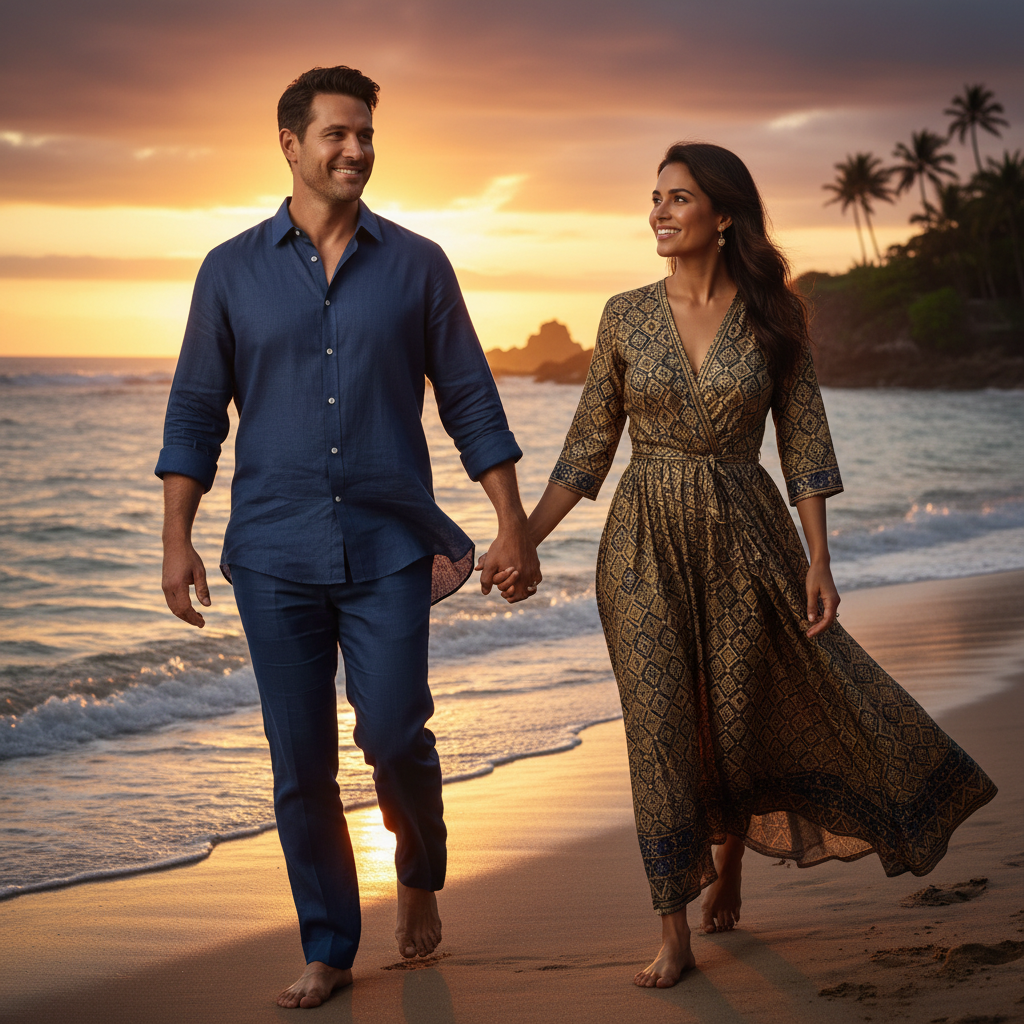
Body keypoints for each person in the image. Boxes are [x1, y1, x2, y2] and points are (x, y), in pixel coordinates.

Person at [524, 142, 997, 989]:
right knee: (660, 731)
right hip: (642, 544)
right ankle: (671, 929)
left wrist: (821, 559)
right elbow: (587, 448)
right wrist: (522, 538)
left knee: (736, 728)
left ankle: (732, 857)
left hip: (749, 537)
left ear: (723, 215)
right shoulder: (624, 316)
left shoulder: (775, 316)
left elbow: (805, 444)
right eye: (655, 197)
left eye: (678, 198)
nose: (659, 212)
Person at [156, 65, 541, 1009]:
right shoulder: (228, 271)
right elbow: (196, 413)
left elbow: (470, 399)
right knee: (301, 761)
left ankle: (419, 870)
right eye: (337, 133)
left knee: (395, 730)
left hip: (389, 546)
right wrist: (177, 538)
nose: (356, 150)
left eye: (366, 133)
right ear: (290, 144)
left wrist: (512, 523)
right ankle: (329, 946)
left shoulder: (418, 265)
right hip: (271, 551)